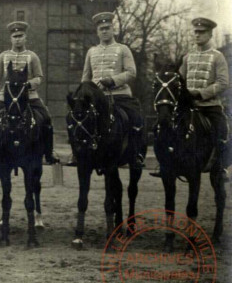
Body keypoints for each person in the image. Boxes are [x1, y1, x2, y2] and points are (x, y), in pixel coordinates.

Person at [69, 11, 146, 167]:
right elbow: (86, 77)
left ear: (113, 29)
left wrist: (112, 80)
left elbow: (132, 73)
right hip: (96, 98)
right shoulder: (91, 51)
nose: (104, 31)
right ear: (97, 32)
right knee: (77, 118)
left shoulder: (123, 49)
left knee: (135, 117)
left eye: (107, 28)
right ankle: (76, 152)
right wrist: (83, 94)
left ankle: (136, 153)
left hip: (119, 95)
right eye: (101, 29)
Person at [155, 17, 229, 176]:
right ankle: (165, 163)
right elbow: (179, 80)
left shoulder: (218, 57)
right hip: (188, 106)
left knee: (221, 128)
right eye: (195, 32)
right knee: (165, 125)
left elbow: (223, 83)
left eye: (201, 32)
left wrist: (202, 93)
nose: (197, 35)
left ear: (209, 34)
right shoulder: (188, 57)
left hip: (209, 106)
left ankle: (219, 165)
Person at [0, 21, 59, 166]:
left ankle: (49, 152)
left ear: (25, 37)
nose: (17, 39)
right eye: (15, 36)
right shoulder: (3, 56)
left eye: (20, 36)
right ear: (11, 38)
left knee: (46, 118)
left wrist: (30, 84)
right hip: (6, 96)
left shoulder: (32, 56)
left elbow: (39, 77)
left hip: (29, 96)